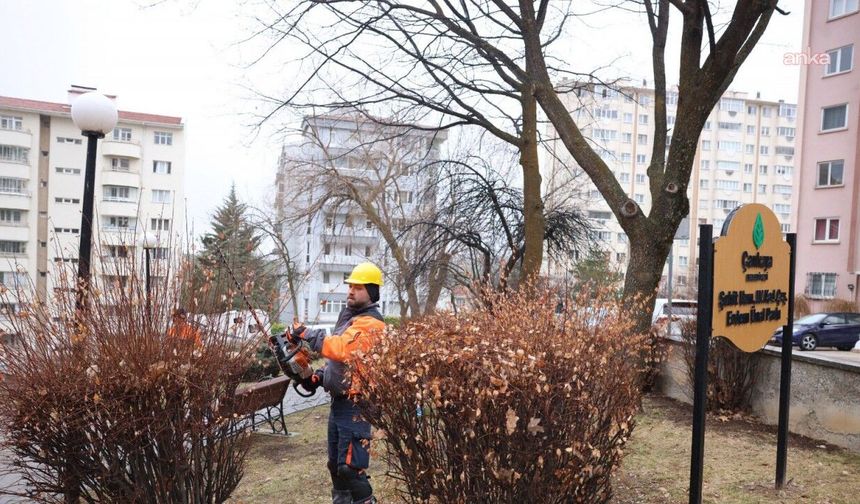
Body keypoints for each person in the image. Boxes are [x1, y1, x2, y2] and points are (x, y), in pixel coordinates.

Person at [288, 262, 386, 504]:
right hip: (340, 404)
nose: (351, 291)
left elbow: (342, 350)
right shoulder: (350, 317)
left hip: (356, 406)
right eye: (350, 286)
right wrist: (319, 377)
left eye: (359, 287)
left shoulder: (372, 324)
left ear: (372, 292)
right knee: (336, 466)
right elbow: (341, 365)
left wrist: (308, 334)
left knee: (350, 469)